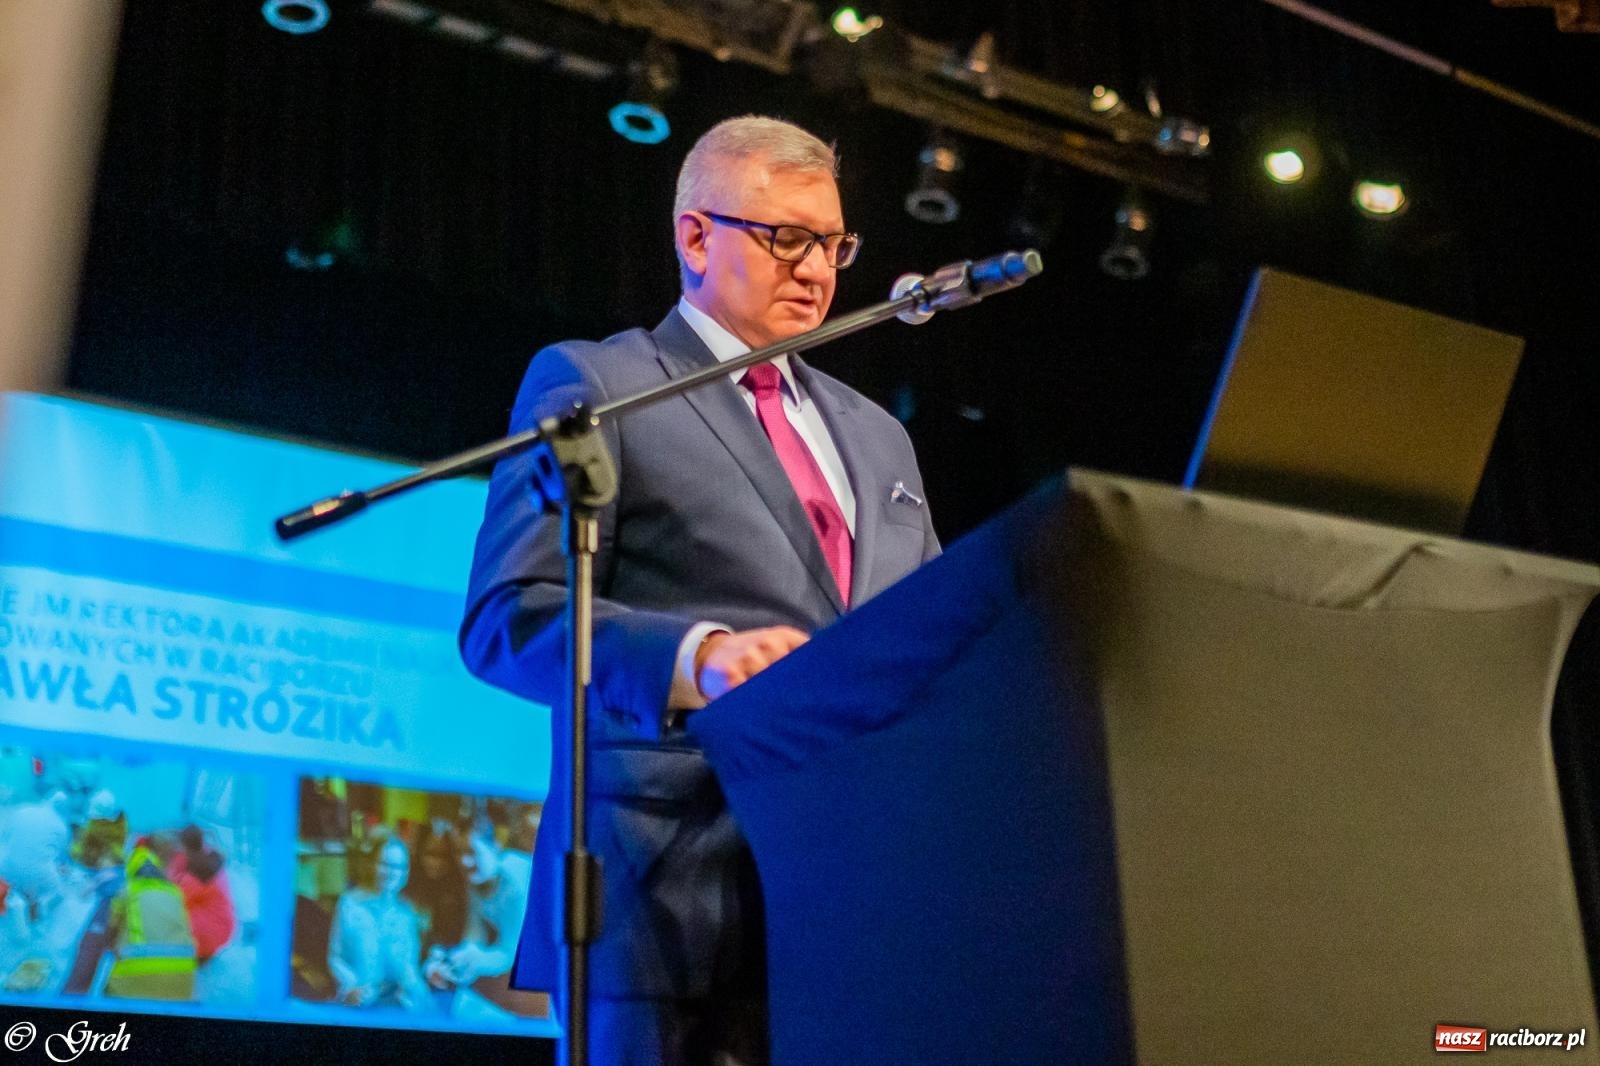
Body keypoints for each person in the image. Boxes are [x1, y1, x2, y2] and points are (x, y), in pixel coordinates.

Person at [460, 115, 939, 1064]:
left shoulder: (879, 437)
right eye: (786, 238)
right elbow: (508, 618)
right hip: (663, 891)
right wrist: (697, 659)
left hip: (848, 900)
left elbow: (928, 633)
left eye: (834, 244)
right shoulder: (600, 381)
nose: (817, 269)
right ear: (694, 237)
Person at [326, 837, 429, 1011]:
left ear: (406, 873)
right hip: (359, 1006)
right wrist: (349, 987)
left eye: (398, 867)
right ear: (372, 864)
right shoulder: (349, 905)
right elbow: (335, 958)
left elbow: (411, 966)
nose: (391, 872)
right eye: (385, 864)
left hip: (401, 1007)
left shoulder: (408, 913)